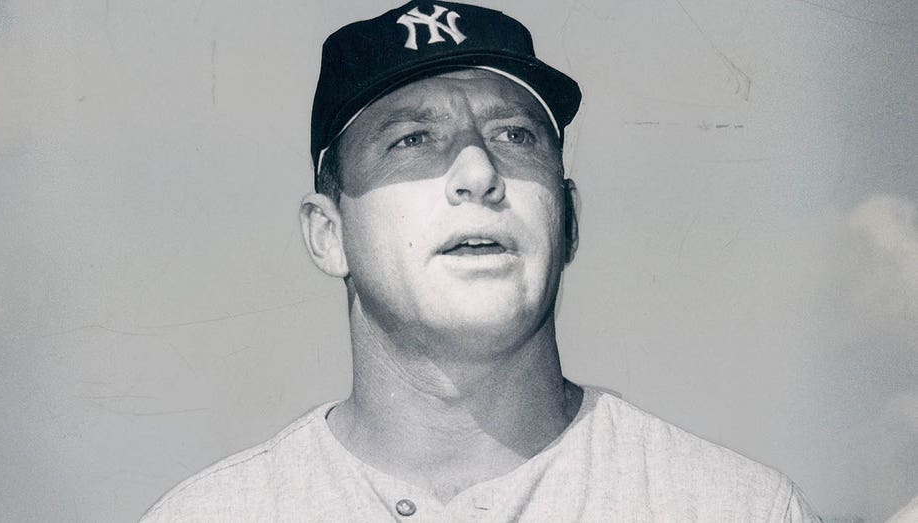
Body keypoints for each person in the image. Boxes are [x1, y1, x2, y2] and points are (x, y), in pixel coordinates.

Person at [141, 1, 821, 521]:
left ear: (567, 217)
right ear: (328, 232)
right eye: (410, 139)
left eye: (514, 135)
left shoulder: (733, 507)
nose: (477, 171)